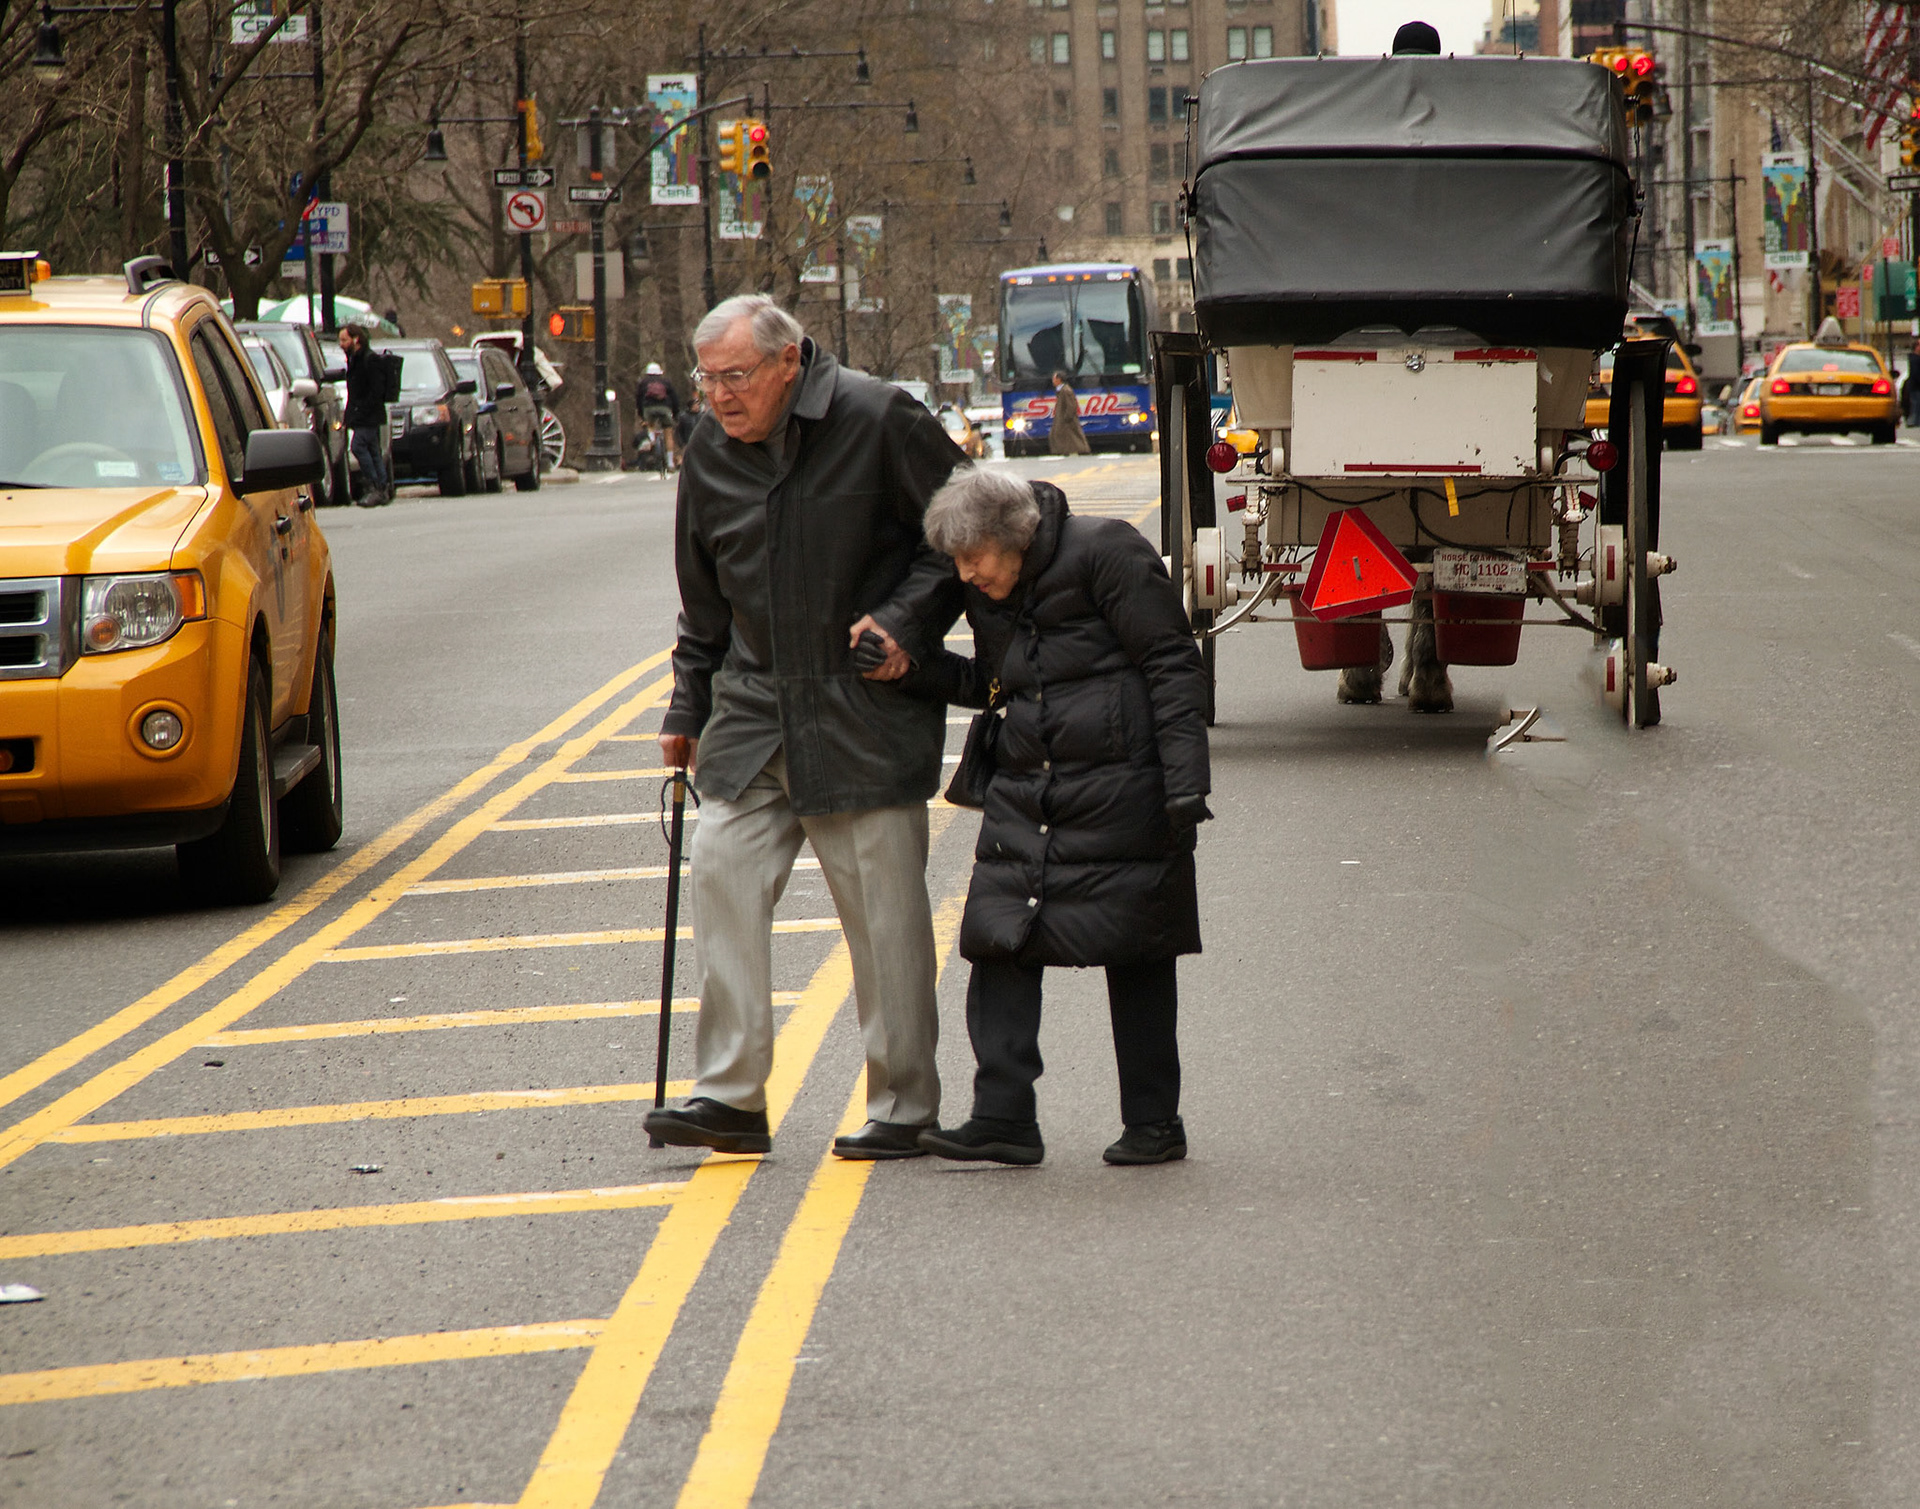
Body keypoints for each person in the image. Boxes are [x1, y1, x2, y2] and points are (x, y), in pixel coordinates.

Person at [642, 295, 969, 1160]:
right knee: (720, 865)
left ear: (789, 362)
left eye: (736, 376)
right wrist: (687, 705)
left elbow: (963, 531)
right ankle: (730, 1095)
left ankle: (903, 1103)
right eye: (707, 379)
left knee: (886, 919)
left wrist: (903, 621)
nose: (719, 396)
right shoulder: (708, 448)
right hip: (754, 709)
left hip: (860, 705)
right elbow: (703, 600)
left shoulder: (880, 417)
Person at [906, 468, 1211, 1167]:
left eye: (972, 557)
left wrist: (1185, 784)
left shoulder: (1108, 551)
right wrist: (912, 667)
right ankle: (1002, 1118)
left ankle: (1154, 1122)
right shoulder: (992, 588)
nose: (964, 574)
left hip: (1120, 785)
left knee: (1136, 946)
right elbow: (992, 682)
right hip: (1026, 788)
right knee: (998, 937)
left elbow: (1172, 663)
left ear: (1013, 537)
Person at [337, 324, 389, 507]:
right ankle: (382, 488)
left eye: (344, 340)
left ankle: (374, 485)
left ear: (356, 339)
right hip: (360, 414)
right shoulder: (354, 359)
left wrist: (362, 410)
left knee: (358, 446)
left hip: (369, 415)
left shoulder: (369, 359)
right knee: (373, 450)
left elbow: (376, 390)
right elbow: (354, 392)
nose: (341, 344)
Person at [636, 362, 682, 467]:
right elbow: (674, 398)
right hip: (664, 408)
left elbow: (639, 399)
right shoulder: (666, 382)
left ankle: (652, 440)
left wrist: (641, 415)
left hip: (648, 408)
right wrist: (675, 413)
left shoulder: (643, 382)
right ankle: (670, 462)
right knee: (668, 433)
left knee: (650, 426)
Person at [1048, 370, 1090, 455]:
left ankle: (1082, 449)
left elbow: (1071, 405)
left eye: (1054, 378)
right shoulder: (1061, 390)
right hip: (1062, 418)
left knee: (1072, 436)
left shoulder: (1066, 390)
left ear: (1059, 379)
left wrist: (1067, 417)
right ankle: (1064, 451)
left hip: (1066, 419)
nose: (1053, 381)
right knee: (1063, 436)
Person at [672, 387, 704, 456]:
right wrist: (682, 444)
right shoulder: (683, 417)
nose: (697, 407)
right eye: (695, 405)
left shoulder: (702, 416)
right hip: (687, 443)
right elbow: (679, 432)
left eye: (698, 405)